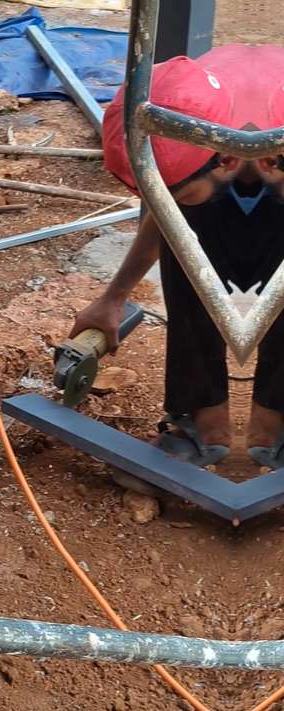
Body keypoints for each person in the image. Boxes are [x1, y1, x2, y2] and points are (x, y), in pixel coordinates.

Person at [70, 45, 284, 469]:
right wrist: (114, 296)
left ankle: (275, 420)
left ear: (222, 160)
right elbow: (169, 213)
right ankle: (200, 419)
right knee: (188, 251)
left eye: (176, 195)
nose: (166, 204)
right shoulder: (171, 108)